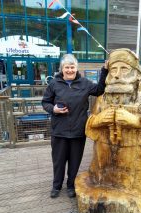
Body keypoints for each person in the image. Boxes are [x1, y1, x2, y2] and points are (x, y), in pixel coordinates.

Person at [75, 48, 141, 213]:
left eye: (124, 69)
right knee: (100, 182)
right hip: (103, 160)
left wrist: (136, 121)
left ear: (137, 74)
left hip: (134, 159)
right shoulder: (102, 99)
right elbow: (91, 123)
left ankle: (136, 199)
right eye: (113, 69)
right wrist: (98, 119)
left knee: (132, 190)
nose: (117, 75)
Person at [42, 54, 108, 198]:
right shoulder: (54, 83)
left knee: (74, 160)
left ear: (76, 68)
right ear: (62, 69)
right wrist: (53, 109)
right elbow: (45, 102)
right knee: (59, 161)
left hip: (78, 131)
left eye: (72, 67)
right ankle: (56, 186)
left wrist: (104, 70)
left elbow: (99, 90)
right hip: (59, 130)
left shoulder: (84, 83)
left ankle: (71, 185)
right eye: (67, 67)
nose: (70, 70)